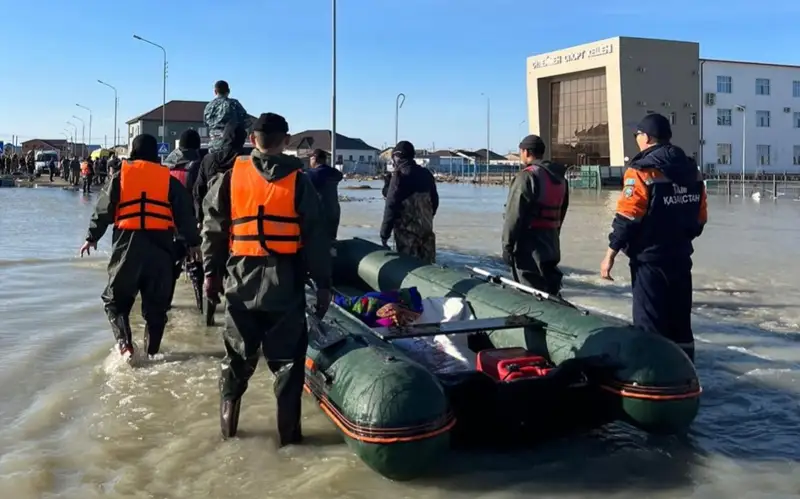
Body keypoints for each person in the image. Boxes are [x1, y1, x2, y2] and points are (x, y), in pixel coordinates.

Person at [202, 112, 331, 443]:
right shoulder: (300, 181)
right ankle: (289, 442)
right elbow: (316, 239)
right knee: (288, 365)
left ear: (252, 140)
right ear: (286, 141)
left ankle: (228, 435)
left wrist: (210, 274)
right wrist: (324, 284)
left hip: (239, 283)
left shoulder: (231, 178)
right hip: (284, 285)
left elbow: (213, 229)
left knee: (235, 359)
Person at [79, 134, 200, 359]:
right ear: (156, 154)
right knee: (156, 310)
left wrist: (92, 237)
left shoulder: (120, 178)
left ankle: (125, 346)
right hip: (161, 250)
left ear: (133, 152)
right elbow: (185, 215)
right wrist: (192, 243)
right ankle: (153, 353)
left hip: (127, 248)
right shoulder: (168, 180)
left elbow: (103, 210)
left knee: (115, 301)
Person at [600, 113, 707, 362]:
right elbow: (700, 219)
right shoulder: (692, 169)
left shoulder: (640, 171)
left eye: (637, 134)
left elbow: (627, 217)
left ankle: (653, 380)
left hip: (649, 261)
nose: (636, 139)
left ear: (646, 137)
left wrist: (610, 255)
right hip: (681, 258)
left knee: (650, 324)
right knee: (680, 323)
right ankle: (685, 378)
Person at [501, 134, 569, 295]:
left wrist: (507, 246)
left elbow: (513, 215)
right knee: (550, 289)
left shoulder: (526, 177)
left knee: (528, 292)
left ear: (525, 151)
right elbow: (562, 212)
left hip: (529, 247)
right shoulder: (560, 179)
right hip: (551, 243)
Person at [379, 141, 439, 264]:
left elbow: (391, 206)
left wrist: (384, 234)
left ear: (396, 157)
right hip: (426, 234)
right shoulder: (426, 174)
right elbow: (435, 202)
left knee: (409, 269)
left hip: (407, 238)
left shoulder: (399, 177)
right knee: (428, 269)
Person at [163, 129, 204, 307]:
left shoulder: (166, 165)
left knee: (171, 267)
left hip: (166, 224)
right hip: (191, 221)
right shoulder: (197, 166)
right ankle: (201, 307)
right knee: (197, 262)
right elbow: (201, 195)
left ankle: (166, 303)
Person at [194, 122, 247, 224]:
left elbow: (198, 191)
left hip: (212, 216)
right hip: (239, 218)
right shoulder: (247, 161)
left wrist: (200, 218)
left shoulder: (208, 160)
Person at [305, 148, 343, 241]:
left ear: (314, 158)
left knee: (316, 242)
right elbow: (339, 176)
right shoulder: (335, 173)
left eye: (310, 158)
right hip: (333, 210)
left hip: (319, 213)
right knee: (331, 239)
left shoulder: (311, 174)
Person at [203, 80, 250, 152]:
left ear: (215, 91)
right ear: (229, 91)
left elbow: (206, 123)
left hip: (213, 147)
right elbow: (246, 121)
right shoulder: (233, 104)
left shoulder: (208, 106)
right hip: (230, 146)